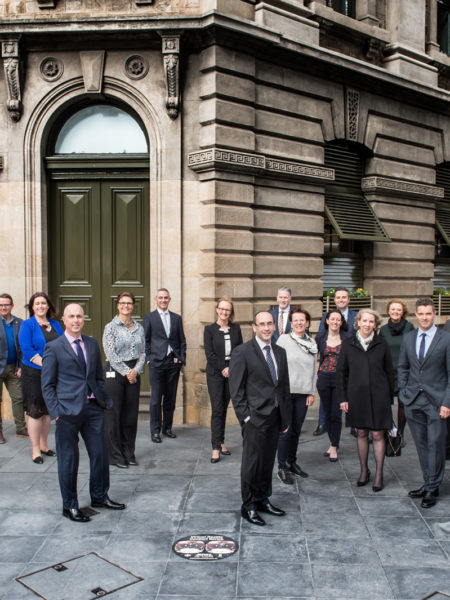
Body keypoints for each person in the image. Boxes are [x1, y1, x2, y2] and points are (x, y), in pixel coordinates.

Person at [41, 303, 125, 522]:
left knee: (99, 454)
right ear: (64, 321)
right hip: (67, 412)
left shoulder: (92, 343)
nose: (76, 320)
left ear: (83, 319)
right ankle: (69, 505)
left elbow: (98, 376)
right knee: (69, 460)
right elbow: (47, 385)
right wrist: (56, 412)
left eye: (79, 316)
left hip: (93, 408)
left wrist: (101, 399)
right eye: (71, 316)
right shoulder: (54, 347)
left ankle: (99, 496)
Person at [229, 311, 291, 526]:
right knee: (251, 464)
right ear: (254, 327)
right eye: (262, 324)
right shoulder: (242, 352)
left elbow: (283, 387)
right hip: (254, 418)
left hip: (275, 416)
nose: (266, 328)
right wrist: (245, 417)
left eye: (269, 324)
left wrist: (285, 418)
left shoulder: (280, 352)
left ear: (275, 326)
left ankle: (262, 499)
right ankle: (248, 506)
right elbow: (236, 390)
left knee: (267, 462)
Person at [398, 297, 450, 509]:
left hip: (437, 402)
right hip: (413, 400)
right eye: (421, 313)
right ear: (416, 315)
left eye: (429, 313)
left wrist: (447, 402)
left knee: (435, 445)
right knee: (421, 445)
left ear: (434, 313)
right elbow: (402, 366)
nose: (425, 317)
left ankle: (432, 487)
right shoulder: (409, 338)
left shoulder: (445, 339)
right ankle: (429, 482)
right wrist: (403, 392)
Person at [337, 309, 394, 492]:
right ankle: (364, 471)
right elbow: (341, 373)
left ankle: (378, 474)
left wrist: (389, 398)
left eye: (371, 322)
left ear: (375, 325)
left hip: (379, 396)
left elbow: (389, 372)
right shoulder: (348, 344)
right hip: (356, 396)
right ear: (358, 322)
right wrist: (343, 398)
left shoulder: (382, 344)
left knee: (377, 434)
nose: (368, 324)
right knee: (361, 432)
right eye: (365, 321)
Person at [102, 292, 145, 469]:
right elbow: (110, 354)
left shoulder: (139, 328)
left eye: (129, 303)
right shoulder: (110, 327)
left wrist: (136, 370)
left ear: (133, 305)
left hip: (134, 372)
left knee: (130, 415)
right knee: (113, 415)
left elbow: (143, 352)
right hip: (115, 373)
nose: (125, 306)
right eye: (122, 303)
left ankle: (129, 452)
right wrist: (127, 372)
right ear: (117, 305)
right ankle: (115, 455)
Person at [19, 292, 63, 463]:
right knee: (35, 412)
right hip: (33, 373)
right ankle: (35, 450)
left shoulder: (55, 324)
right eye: (37, 303)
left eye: (43, 303)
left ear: (48, 306)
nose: (40, 306)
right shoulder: (27, 325)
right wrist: (47, 365)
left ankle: (44, 445)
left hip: (52, 374)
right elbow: (27, 350)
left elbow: (62, 345)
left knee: (46, 411)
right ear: (32, 306)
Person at [276, 306, 317, 484]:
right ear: (291, 324)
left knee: (296, 431)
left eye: (302, 320)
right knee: (285, 431)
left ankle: (292, 462)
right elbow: (275, 366)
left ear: (307, 323)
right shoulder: (283, 340)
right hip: (285, 393)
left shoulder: (312, 343)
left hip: (303, 393)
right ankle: (281, 467)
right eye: (296, 320)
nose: (299, 323)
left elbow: (314, 369)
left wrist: (311, 391)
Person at [143, 288, 186, 443]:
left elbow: (181, 340)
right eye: (160, 298)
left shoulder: (176, 318)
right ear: (156, 299)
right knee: (156, 399)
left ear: (169, 299)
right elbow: (145, 341)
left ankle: (167, 428)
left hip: (173, 363)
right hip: (156, 363)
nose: (163, 300)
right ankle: (155, 431)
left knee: (170, 398)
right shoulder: (149, 318)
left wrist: (181, 358)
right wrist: (149, 359)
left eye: (166, 298)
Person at [204, 297, 243, 464]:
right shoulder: (209, 329)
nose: (224, 312)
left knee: (225, 408)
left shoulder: (236, 329)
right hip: (215, 374)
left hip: (232, 372)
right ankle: (215, 447)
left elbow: (240, 350)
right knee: (217, 409)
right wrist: (223, 368)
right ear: (217, 309)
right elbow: (210, 354)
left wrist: (231, 368)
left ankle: (221, 442)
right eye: (221, 308)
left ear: (230, 312)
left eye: (227, 309)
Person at [315, 287, 358, 437]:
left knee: (348, 396)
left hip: (348, 363)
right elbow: (321, 334)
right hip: (327, 367)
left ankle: (354, 425)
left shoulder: (355, 316)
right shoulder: (327, 316)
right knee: (326, 398)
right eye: (338, 297)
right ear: (334, 300)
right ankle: (322, 423)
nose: (341, 299)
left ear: (348, 299)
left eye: (344, 297)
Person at [316, 310, 351, 462]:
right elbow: (314, 356)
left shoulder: (348, 338)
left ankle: (334, 446)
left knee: (336, 414)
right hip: (323, 378)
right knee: (328, 413)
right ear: (327, 321)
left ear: (341, 322)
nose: (335, 322)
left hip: (340, 380)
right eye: (332, 319)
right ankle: (331, 444)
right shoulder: (320, 337)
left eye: (338, 319)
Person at [379, 299, 414, 441]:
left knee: (402, 404)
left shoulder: (409, 327)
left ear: (403, 312)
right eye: (393, 309)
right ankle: (389, 430)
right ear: (388, 311)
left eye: (398, 310)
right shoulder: (383, 330)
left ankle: (400, 433)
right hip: (386, 371)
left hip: (404, 371)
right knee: (385, 403)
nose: (395, 312)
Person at [0, 293, 27, 442]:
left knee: (18, 397)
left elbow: (23, 346)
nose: (3, 307)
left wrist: (20, 366)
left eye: (6, 304)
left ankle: (21, 427)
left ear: (12, 305)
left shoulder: (20, 323)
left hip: (13, 367)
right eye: (1, 305)